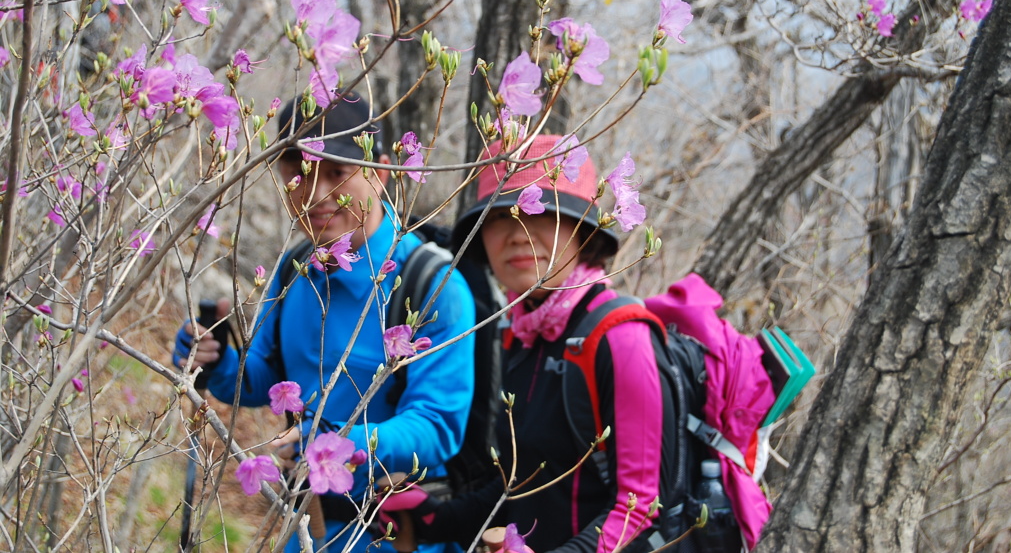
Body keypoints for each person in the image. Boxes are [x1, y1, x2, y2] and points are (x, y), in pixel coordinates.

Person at [173, 94, 476, 553]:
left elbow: (437, 427)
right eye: (298, 173)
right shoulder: (295, 268)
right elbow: (262, 382)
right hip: (306, 529)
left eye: (336, 172)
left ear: (379, 173)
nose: (314, 195)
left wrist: (345, 442)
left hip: (394, 533)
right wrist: (216, 361)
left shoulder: (432, 285)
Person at [382, 135, 669, 553]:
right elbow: (523, 483)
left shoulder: (620, 337)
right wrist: (435, 517)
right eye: (499, 217)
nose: (517, 234)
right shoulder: (521, 334)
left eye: (541, 211)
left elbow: (638, 506)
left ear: (583, 233)